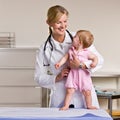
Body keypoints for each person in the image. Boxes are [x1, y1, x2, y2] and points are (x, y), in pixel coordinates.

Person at [34, 5, 104, 109]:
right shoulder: (44, 49)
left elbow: (100, 60)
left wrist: (82, 65)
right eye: (58, 22)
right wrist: (56, 77)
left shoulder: (79, 37)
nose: (63, 26)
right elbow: (38, 78)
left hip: (83, 97)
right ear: (49, 23)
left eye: (65, 21)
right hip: (61, 98)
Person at [55, 30, 98, 110]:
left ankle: (89, 105)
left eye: (75, 37)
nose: (73, 38)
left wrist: (94, 63)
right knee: (69, 91)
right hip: (73, 75)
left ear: (80, 42)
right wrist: (59, 63)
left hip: (83, 76)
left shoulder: (86, 52)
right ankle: (66, 106)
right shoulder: (71, 50)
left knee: (87, 92)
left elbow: (95, 57)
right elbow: (65, 57)